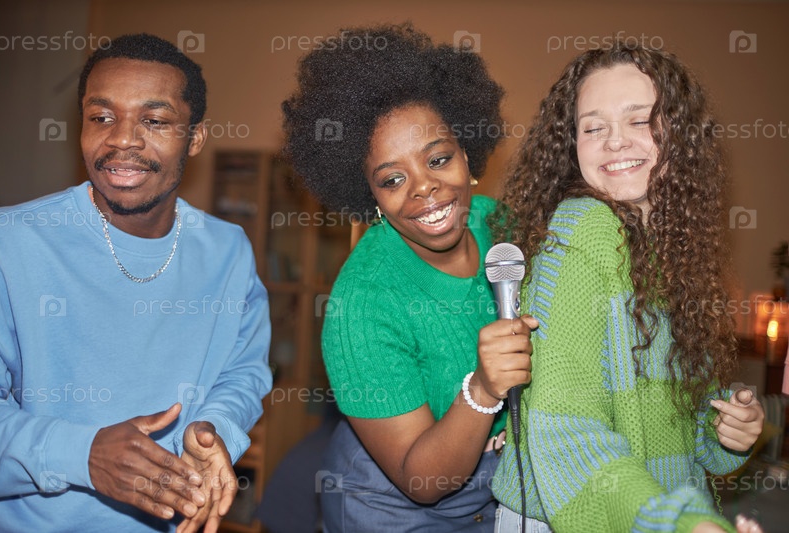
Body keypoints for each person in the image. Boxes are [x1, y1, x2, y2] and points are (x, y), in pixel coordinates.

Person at [0, 33, 272, 532]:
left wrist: (216, 429)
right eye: (101, 117)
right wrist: (83, 454)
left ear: (195, 138)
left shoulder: (227, 251)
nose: (122, 139)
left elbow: (243, 372)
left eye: (154, 121)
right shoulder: (9, 243)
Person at [489, 41, 765, 532]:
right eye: (594, 127)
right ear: (571, 145)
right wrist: (680, 524)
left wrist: (727, 431)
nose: (615, 141)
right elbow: (566, 430)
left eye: (639, 120)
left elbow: (681, 426)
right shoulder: (584, 230)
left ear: (680, 134)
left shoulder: (678, 252)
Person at [282, 23, 537, 531]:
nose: (424, 189)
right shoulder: (363, 303)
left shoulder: (502, 227)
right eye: (393, 179)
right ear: (370, 196)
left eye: (438, 159)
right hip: (392, 509)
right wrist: (483, 389)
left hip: (496, 494)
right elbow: (421, 481)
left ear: (467, 156)